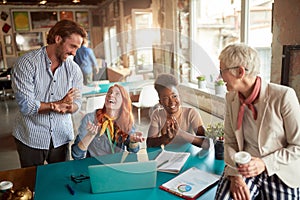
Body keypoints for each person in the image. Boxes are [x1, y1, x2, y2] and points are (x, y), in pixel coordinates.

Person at [215, 43, 300, 200]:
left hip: (280, 169)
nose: (219, 77)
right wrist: (235, 174)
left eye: (222, 72)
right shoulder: (231, 98)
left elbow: (298, 146)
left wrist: (265, 164)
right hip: (243, 167)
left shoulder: (284, 96)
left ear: (240, 71)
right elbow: (230, 142)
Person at [11, 19, 87, 168]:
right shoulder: (26, 64)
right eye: (72, 46)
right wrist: (57, 104)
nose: (74, 53)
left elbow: (77, 103)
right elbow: (26, 106)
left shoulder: (74, 70)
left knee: (61, 182)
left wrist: (68, 107)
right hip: (31, 137)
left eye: (77, 48)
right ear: (58, 39)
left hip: (61, 137)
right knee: (32, 184)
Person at [71, 84, 144, 159]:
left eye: (117, 94)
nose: (111, 95)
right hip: (95, 167)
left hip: (117, 166)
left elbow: (133, 150)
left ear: (124, 101)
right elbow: (76, 155)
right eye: (109, 92)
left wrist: (133, 141)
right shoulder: (90, 119)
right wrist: (89, 136)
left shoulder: (126, 121)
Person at [147, 73, 209, 149]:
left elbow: (207, 143)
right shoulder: (157, 114)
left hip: (190, 156)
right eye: (166, 98)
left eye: (174, 96)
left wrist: (180, 133)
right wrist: (166, 137)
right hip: (168, 157)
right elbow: (149, 143)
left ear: (180, 97)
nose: (171, 102)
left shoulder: (191, 113)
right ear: (160, 102)